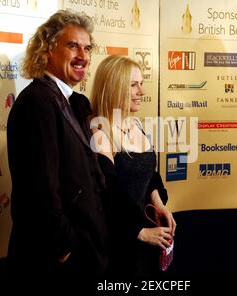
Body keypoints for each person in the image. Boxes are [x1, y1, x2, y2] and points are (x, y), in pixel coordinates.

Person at [6, 9, 108, 277]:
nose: (83, 56)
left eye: (87, 48)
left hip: (87, 251)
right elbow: (39, 188)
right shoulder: (37, 102)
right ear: (47, 50)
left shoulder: (76, 102)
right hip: (53, 261)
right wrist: (66, 249)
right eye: (72, 45)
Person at [90, 55, 176, 277]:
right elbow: (106, 192)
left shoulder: (136, 124)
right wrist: (138, 232)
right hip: (118, 243)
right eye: (134, 85)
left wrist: (158, 204)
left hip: (147, 236)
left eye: (142, 84)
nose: (142, 92)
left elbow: (149, 174)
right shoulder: (99, 132)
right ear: (114, 87)